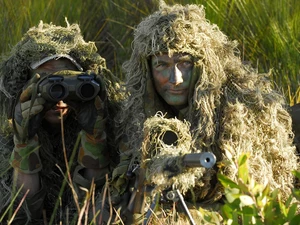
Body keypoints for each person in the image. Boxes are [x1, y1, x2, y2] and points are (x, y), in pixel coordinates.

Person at [99, 2, 298, 224]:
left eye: (184, 63)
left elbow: (255, 208)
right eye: (162, 65)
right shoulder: (135, 116)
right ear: (146, 70)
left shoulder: (241, 115)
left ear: (204, 66)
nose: (175, 79)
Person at [0, 21, 121, 224]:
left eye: (69, 82)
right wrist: (23, 142)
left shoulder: (113, 127)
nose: (60, 98)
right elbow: (20, 215)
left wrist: (95, 137)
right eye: (49, 84)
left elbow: (93, 212)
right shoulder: (4, 140)